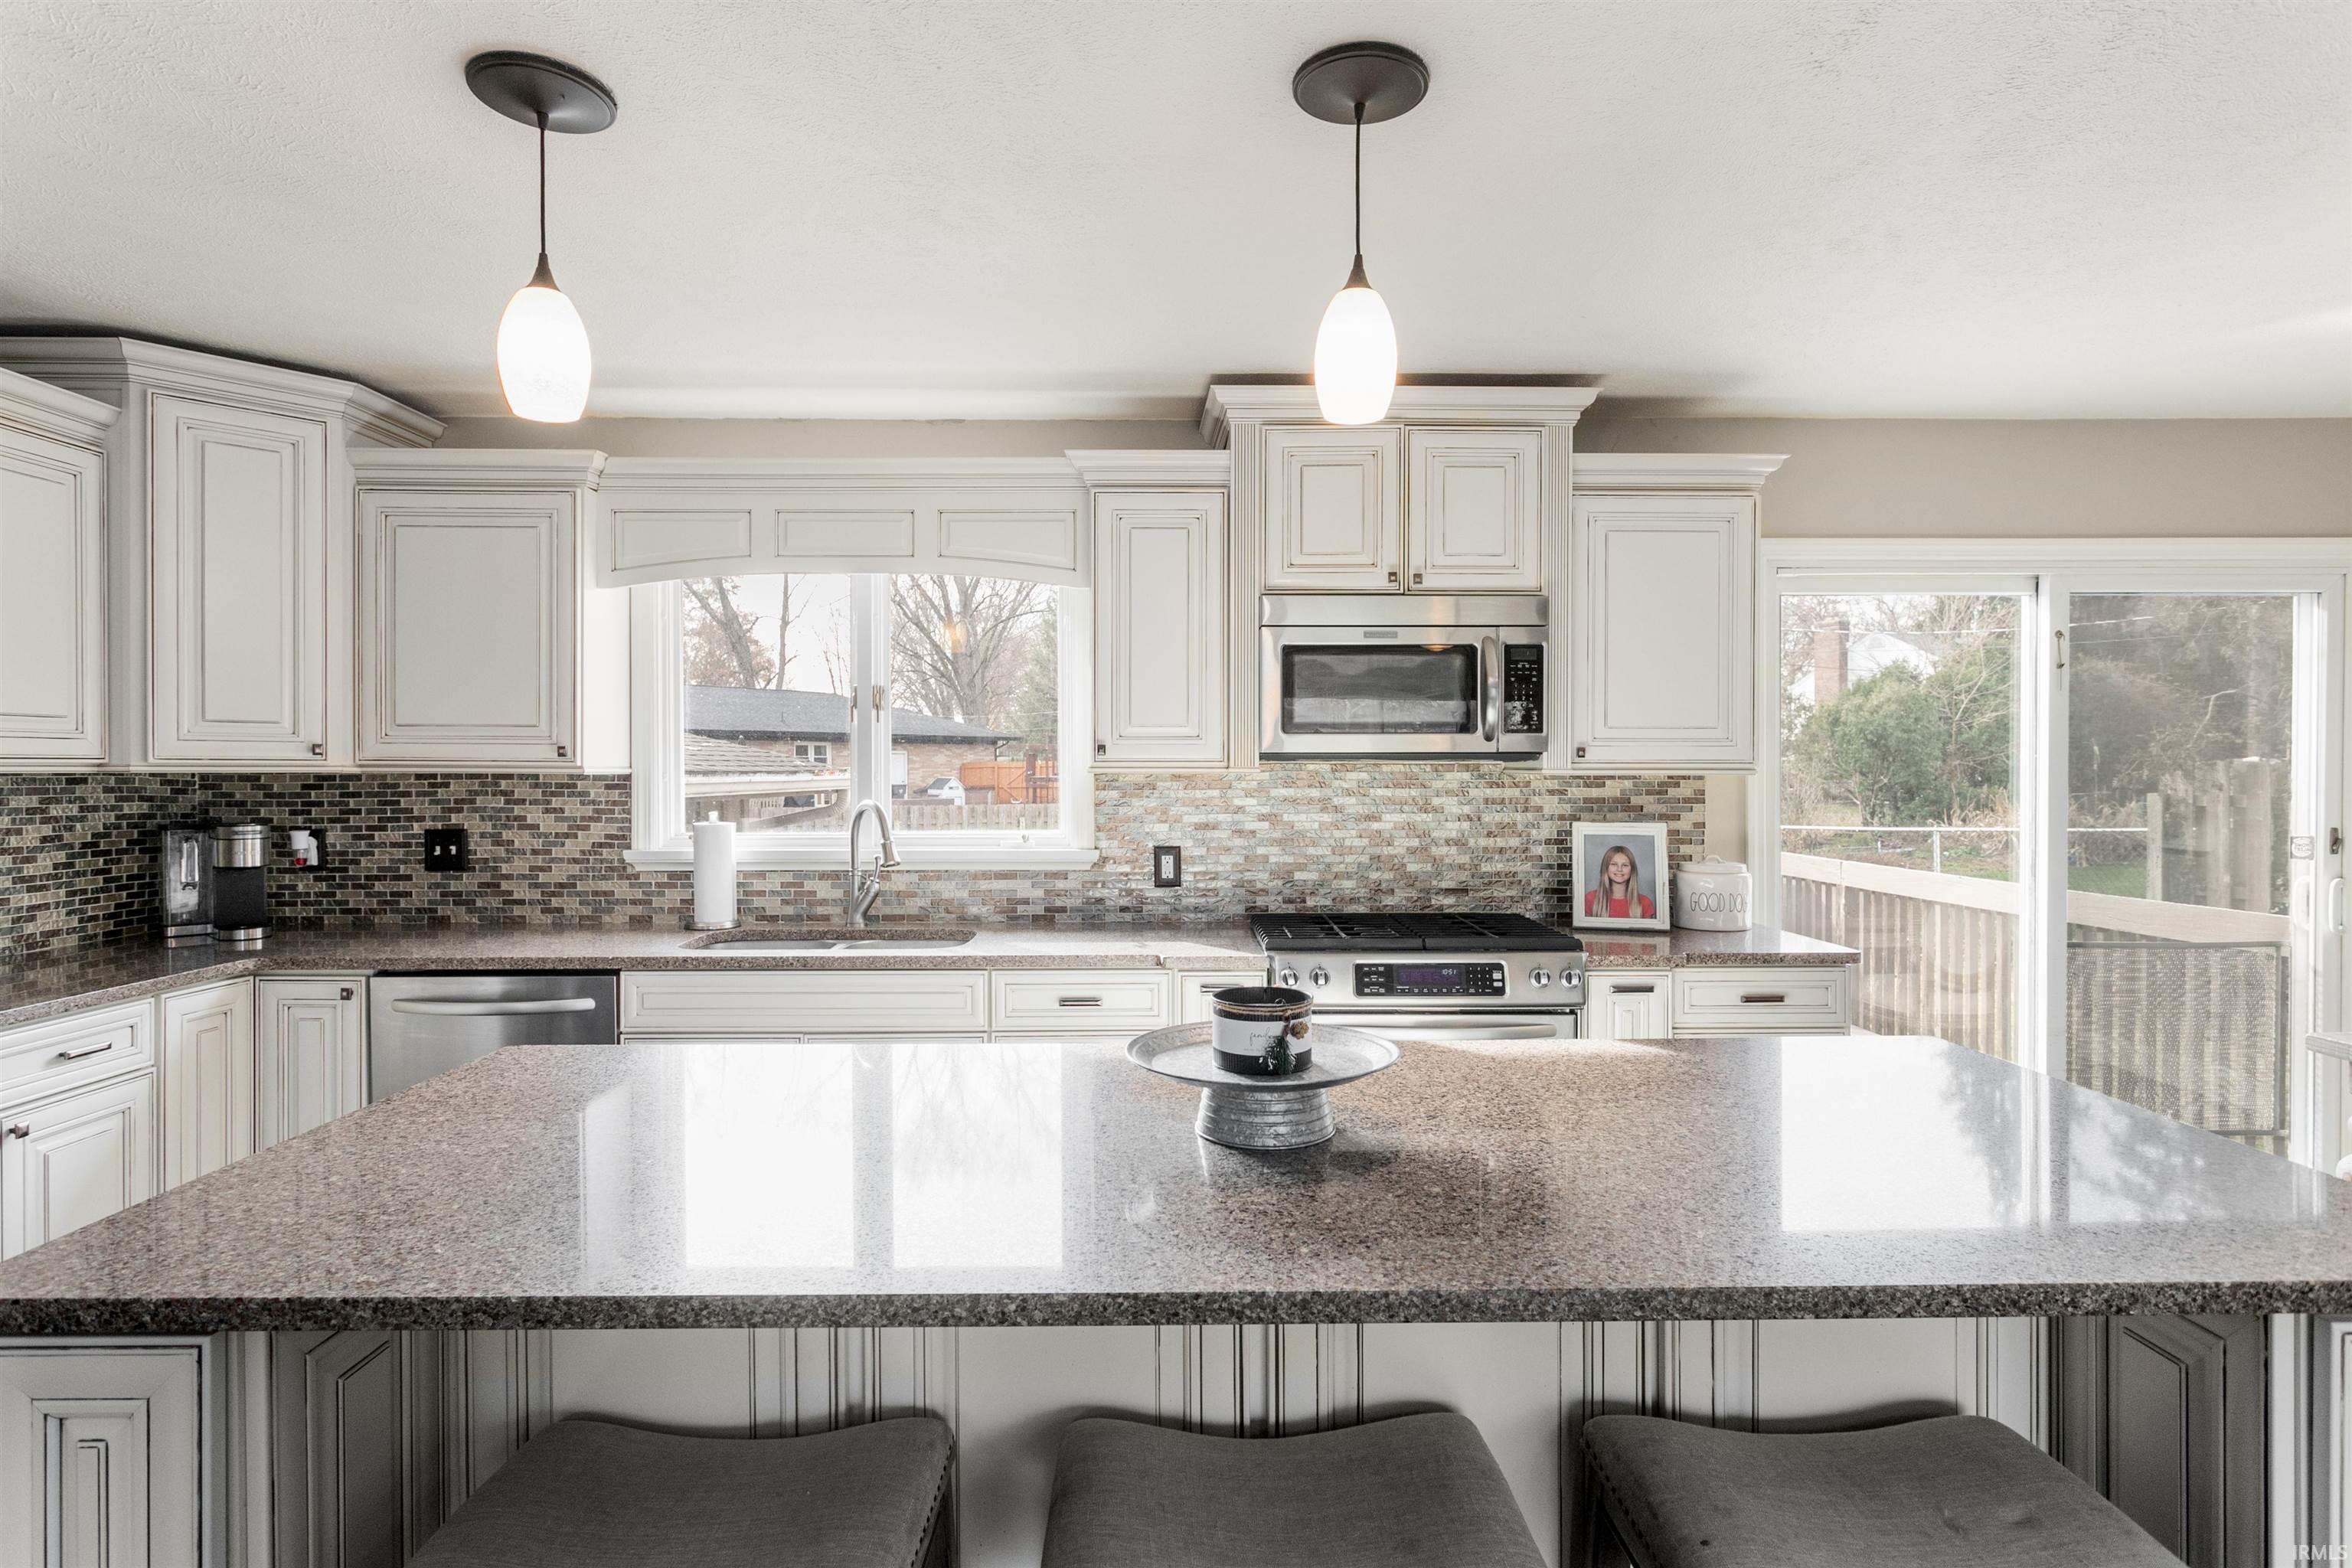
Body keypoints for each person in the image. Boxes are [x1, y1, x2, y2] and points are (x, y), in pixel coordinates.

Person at [1584, 843, 1655, 920]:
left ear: (1632, 870)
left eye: (1625, 865)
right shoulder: (1590, 899)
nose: (1619, 869)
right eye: (1614, 864)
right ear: (1606, 868)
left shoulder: (1645, 903)